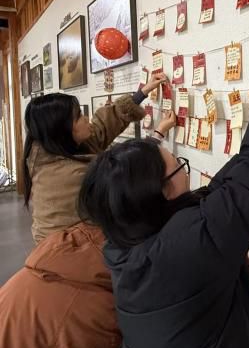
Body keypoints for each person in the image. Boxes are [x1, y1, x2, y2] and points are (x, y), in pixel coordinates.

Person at [79, 75, 249, 348]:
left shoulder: (127, 239)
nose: (183, 168)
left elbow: (216, 193)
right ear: (162, 192)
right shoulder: (188, 243)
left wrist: (243, 153)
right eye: (179, 165)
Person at [0, 113, 177, 348]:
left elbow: (106, 131)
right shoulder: (99, 308)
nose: (87, 120)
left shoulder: (48, 159)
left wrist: (141, 97)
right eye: (78, 116)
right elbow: (126, 171)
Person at [23, 73, 170, 244]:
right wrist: (157, 134)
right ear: (62, 129)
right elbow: (128, 180)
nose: (86, 118)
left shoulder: (57, 148)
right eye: (79, 116)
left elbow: (102, 127)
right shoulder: (71, 174)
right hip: (73, 251)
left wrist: (142, 92)